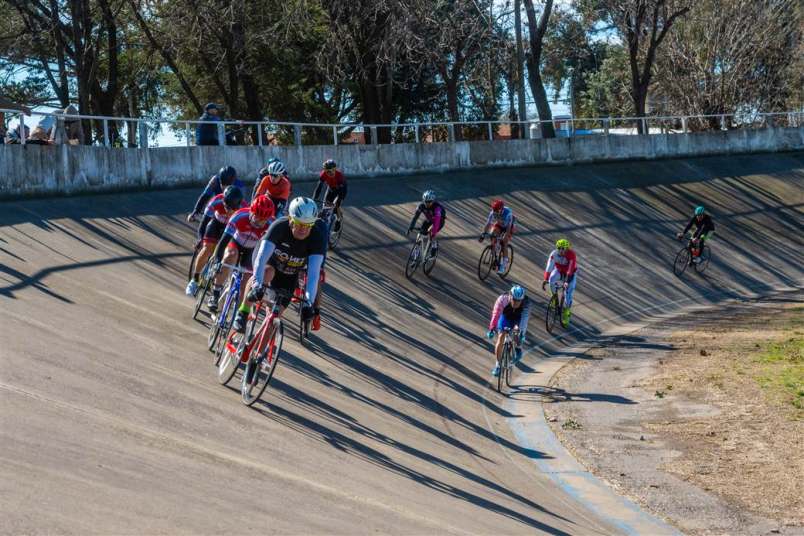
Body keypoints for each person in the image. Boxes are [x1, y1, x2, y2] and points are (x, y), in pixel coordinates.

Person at [233, 197, 328, 333]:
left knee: (274, 319)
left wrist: (308, 304)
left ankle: (258, 354)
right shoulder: (279, 227)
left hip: (290, 274)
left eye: (308, 225)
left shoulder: (317, 237)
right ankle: (243, 312)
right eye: (299, 223)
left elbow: (313, 276)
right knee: (266, 273)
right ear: (290, 220)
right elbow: (260, 260)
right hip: (269, 262)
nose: (303, 229)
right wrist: (257, 285)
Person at [207, 195, 275, 312]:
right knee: (231, 255)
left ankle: (238, 314)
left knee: (247, 279)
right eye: (257, 218)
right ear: (251, 212)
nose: (259, 223)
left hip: (252, 250)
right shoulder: (239, 216)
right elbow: (224, 241)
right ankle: (215, 292)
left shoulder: (272, 224)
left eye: (263, 220)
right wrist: (218, 260)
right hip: (235, 243)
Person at [185, 185, 246, 296]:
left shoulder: (244, 208)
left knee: (229, 254)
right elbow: (203, 224)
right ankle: (195, 279)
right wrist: (200, 239)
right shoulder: (215, 201)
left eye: (232, 209)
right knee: (207, 249)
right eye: (227, 208)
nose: (229, 211)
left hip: (231, 230)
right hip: (216, 224)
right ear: (223, 201)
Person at [485, 285, 530, 377]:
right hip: (506, 316)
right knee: (501, 336)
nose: (516, 303)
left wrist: (521, 334)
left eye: (519, 301)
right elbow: (496, 314)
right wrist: (492, 328)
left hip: (518, 317)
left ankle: (518, 348)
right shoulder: (502, 300)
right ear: (510, 296)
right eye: (514, 300)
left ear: (522, 300)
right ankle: (498, 365)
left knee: (517, 332)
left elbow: (524, 322)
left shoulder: (525, 304)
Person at [541, 238, 578, 326]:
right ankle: (554, 298)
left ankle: (566, 312)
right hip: (559, 270)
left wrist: (566, 282)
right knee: (551, 280)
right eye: (559, 248)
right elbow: (549, 267)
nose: (561, 251)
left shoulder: (571, 254)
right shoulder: (553, 254)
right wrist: (545, 279)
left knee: (568, 294)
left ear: (567, 249)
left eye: (563, 249)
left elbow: (570, 269)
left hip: (571, 273)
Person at [479, 199, 515, 274]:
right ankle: (494, 254)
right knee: (492, 234)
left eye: (496, 210)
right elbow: (488, 224)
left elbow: (508, 229)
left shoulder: (507, 213)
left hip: (509, 226)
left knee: (504, 242)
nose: (494, 212)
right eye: (494, 210)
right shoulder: (493, 212)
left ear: (501, 209)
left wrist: (505, 236)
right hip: (500, 224)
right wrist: (483, 233)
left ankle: (504, 264)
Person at [406, 190, 446, 255]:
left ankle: (434, 245)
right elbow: (415, 217)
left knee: (431, 233)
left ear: (433, 201)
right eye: (426, 201)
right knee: (420, 234)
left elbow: (436, 223)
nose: (427, 203)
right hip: (429, 220)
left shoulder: (437, 208)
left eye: (429, 202)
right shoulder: (421, 206)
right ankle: (416, 251)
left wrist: (432, 233)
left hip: (439, 221)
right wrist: (410, 227)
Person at [312, 159, 347, 231]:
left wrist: (336, 203)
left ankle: (338, 220)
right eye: (328, 171)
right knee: (325, 206)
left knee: (336, 206)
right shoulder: (323, 174)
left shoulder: (339, 176)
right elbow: (319, 187)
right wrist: (314, 198)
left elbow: (341, 192)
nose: (331, 173)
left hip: (341, 189)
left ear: (335, 169)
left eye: (333, 170)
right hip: (331, 188)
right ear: (325, 171)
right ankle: (325, 221)